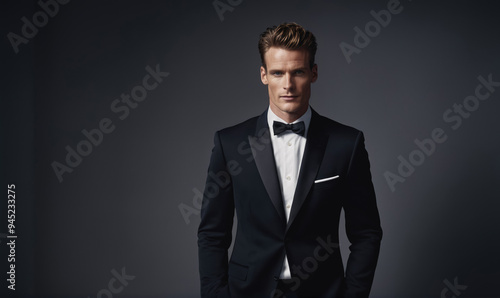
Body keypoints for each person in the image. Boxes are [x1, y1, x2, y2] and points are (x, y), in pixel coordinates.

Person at [198, 22, 382, 298]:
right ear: (263, 75)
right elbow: (212, 233)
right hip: (246, 291)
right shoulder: (230, 144)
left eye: (297, 72)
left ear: (313, 73)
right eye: (277, 73)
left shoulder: (347, 143)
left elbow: (366, 232)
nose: (288, 85)